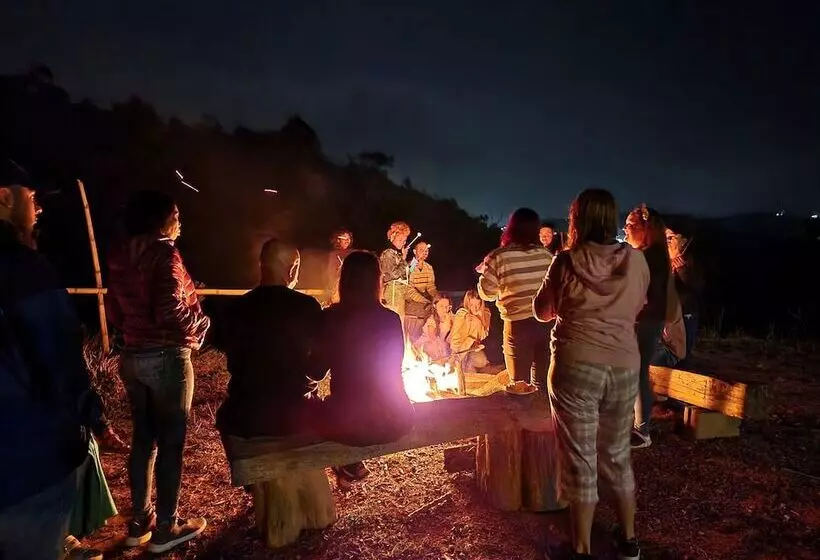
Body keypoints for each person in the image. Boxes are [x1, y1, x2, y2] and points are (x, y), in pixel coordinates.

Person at [0, 178, 119, 559]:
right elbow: (58, 357)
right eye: (32, 197)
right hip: (24, 460)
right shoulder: (23, 271)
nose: (38, 208)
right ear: (5, 197)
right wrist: (94, 417)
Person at [533, 188, 648, 560]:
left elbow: (542, 311)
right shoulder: (636, 261)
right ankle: (628, 541)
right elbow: (640, 304)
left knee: (580, 457)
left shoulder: (565, 261)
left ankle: (580, 549)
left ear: (576, 219)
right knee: (616, 453)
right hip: (623, 364)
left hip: (575, 366)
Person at [107, 189, 211, 554]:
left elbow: (114, 309)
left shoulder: (121, 255)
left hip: (133, 357)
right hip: (166, 358)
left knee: (143, 439)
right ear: (161, 220)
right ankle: (167, 526)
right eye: (176, 215)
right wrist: (201, 324)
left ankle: (140, 521)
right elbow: (169, 309)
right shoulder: (165, 253)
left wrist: (134, 331)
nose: (180, 222)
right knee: (170, 443)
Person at [316, 251, 415, 483]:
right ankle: (349, 464)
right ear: (377, 281)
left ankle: (345, 462)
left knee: (311, 410)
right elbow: (395, 366)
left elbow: (316, 371)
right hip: (396, 419)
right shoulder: (390, 319)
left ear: (344, 280)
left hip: (348, 424)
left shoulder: (331, 317)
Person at [214, 239, 322, 438]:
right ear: (292, 269)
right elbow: (317, 369)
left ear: (261, 264)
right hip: (293, 413)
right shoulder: (307, 307)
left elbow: (228, 351)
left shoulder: (236, 308)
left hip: (245, 412)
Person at [477, 208, 552, 389]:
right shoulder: (546, 256)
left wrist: (484, 272)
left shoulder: (499, 256)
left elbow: (487, 294)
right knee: (542, 384)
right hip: (546, 325)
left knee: (519, 386)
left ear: (511, 228)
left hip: (518, 327)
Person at [624, 204, 670, 449]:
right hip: (648, 318)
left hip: (644, 319)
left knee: (637, 371)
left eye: (630, 225)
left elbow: (644, 293)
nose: (625, 229)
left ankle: (642, 430)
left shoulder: (648, 256)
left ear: (646, 228)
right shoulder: (653, 253)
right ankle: (637, 423)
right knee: (635, 370)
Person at [665, 224, 704, 363]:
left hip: (686, 313)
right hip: (669, 316)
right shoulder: (666, 260)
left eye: (671, 237)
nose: (668, 241)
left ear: (683, 241)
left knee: (683, 352)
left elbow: (697, 287)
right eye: (666, 237)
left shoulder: (690, 261)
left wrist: (682, 269)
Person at [449, 289, 491, 372]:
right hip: (459, 347)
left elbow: (484, 334)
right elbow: (456, 335)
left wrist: (479, 318)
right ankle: (457, 362)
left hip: (473, 347)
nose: (475, 308)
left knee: (482, 361)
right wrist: (457, 350)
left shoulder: (485, 313)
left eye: (477, 304)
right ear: (467, 303)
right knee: (456, 368)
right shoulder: (461, 313)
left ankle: (467, 363)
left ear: (481, 303)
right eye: (471, 305)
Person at [404, 241, 438, 342]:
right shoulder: (411, 266)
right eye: (422, 250)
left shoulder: (428, 267)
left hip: (425, 299)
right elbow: (409, 289)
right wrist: (424, 300)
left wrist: (437, 298)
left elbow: (431, 286)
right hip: (412, 301)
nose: (425, 252)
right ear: (415, 251)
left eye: (426, 250)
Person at [378, 221, 411, 321]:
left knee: (400, 320)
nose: (403, 243)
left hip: (399, 294)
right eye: (400, 239)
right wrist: (403, 260)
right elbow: (394, 274)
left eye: (405, 240)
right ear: (392, 237)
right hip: (392, 293)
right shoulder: (388, 253)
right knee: (393, 320)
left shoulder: (397, 254)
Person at [325, 229, 353, 306]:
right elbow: (330, 275)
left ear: (348, 241)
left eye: (340, 239)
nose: (337, 241)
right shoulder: (332, 255)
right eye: (336, 239)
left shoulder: (352, 255)